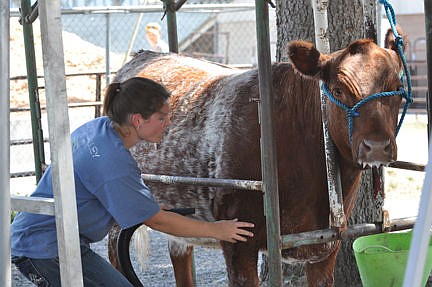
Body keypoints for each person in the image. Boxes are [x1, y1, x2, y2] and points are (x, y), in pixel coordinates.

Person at [10, 77, 254, 287]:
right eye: (162, 117)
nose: (168, 123)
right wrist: (218, 230)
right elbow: (157, 221)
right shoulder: (113, 160)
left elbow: (99, 191)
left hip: (55, 239)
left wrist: (144, 207)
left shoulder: (98, 129)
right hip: (42, 249)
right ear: (138, 120)